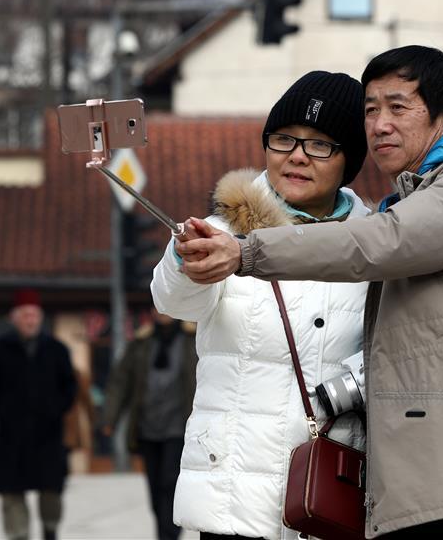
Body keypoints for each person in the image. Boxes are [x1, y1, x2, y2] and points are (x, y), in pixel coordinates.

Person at [176, 46, 443, 539]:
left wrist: (247, 253)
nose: (380, 124)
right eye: (370, 109)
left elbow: (382, 241)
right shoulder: (416, 197)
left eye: (398, 107)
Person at [151, 70, 370, 540]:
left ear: (348, 158)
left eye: (319, 144)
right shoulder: (224, 229)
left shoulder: (374, 242)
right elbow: (173, 300)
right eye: (284, 138)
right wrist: (182, 260)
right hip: (233, 494)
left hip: (327, 492)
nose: (296, 156)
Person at [0, 289, 76, 540]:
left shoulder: (56, 349)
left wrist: (55, 409)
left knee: (51, 492)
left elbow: (69, 387)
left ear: (40, 317)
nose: (29, 320)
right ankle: (18, 535)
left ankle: (50, 529)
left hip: (48, 434)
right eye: (24, 316)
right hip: (11, 435)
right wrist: (3, 411)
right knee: (12, 494)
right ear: (14, 318)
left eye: (33, 315)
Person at [102, 309, 197, 540]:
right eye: (157, 308)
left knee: (169, 480)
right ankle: (163, 532)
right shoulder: (140, 343)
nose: (162, 312)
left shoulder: (192, 340)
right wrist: (110, 419)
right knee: (154, 485)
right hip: (147, 426)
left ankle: (169, 534)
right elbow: (120, 382)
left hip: (179, 426)